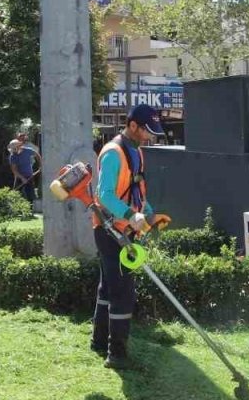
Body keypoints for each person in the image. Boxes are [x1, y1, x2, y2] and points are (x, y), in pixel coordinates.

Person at [90, 104, 169, 369]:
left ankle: (99, 341)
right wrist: (128, 214)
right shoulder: (113, 153)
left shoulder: (136, 152)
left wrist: (148, 213)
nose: (149, 136)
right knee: (123, 291)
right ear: (132, 125)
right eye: (145, 131)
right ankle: (117, 354)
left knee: (108, 285)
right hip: (109, 229)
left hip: (125, 227)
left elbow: (135, 188)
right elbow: (104, 195)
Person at [8, 132, 42, 202]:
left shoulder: (27, 150)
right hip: (19, 177)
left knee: (30, 195)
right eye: (12, 149)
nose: (13, 151)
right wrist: (22, 178)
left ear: (19, 146)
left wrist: (41, 165)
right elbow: (14, 170)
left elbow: (37, 155)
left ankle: (30, 209)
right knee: (16, 194)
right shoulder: (12, 156)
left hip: (29, 176)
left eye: (14, 149)